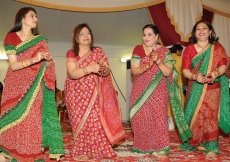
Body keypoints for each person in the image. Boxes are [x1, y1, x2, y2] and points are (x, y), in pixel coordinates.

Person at [0, 7, 64, 161]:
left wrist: (48, 60)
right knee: (11, 123)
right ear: (22, 18)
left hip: (35, 89)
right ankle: (7, 155)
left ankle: (29, 157)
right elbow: (14, 65)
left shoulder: (40, 41)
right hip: (14, 88)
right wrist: (34, 59)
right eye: (32, 16)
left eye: (36, 16)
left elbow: (48, 67)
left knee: (31, 124)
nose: (36, 19)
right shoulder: (11, 37)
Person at [129, 24, 191, 159]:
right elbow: (134, 70)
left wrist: (158, 61)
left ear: (157, 36)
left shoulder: (164, 52)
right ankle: (143, 146)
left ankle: (161, 147)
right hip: (139, 90)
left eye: (149, 34)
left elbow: (168, 71)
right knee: (139, 118)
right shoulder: (138, 49)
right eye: (144, 34)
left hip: (159, 91)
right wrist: (148, 65)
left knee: (158, 118)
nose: (146, 37)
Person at [64, 23, 125, 161]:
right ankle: (82, 151)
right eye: (82, 34)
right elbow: (72, 73)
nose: (86, 36)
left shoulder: (98, 52)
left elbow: (107, 70)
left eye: (88, 33)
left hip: (96, 94)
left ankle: (100, 149)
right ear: (76, 38)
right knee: (81, 123)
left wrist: (104, 69)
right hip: (76, 94)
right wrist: (90, 68)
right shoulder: (72, 53)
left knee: (97, 121)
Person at [181, 20, 230, 159]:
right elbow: (185, 71)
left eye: (204, 28)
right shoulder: (189, 49)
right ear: (195, 33)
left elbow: (223, 66)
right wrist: (195, 76)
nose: (201, 30)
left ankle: (212, 146)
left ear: (210, 32)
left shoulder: (217, 48)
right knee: (195, 116)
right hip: (195, 87)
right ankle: (196, 141)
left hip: (213, 88)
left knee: (210, 116)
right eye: (198, 29)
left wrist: (215, 73)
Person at [168, 44, 185, 130]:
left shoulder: (166, 59)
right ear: (178, 51)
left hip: (167, 86)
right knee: (179, 103)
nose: (181, 53)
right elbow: (184, 73)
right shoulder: (180, 59)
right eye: (181, 52)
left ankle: (169, 123)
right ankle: (179, 124)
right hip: (177, 86)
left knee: (168, 103)